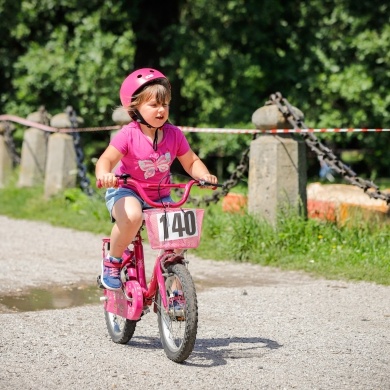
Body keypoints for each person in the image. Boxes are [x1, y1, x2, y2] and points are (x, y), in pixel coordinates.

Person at [95, 68, 218, 290]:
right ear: (135, 108)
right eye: (154, 105)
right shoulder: (129, 134)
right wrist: (105, 175)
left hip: (160, 194)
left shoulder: (174, 134)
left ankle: (173, 287)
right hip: (126, 191)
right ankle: (112, 261)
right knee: (133, 216)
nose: (161, 110)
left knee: (181, 235)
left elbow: (191, 162)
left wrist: (203, 175)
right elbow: (105, 160)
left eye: (165, 104)